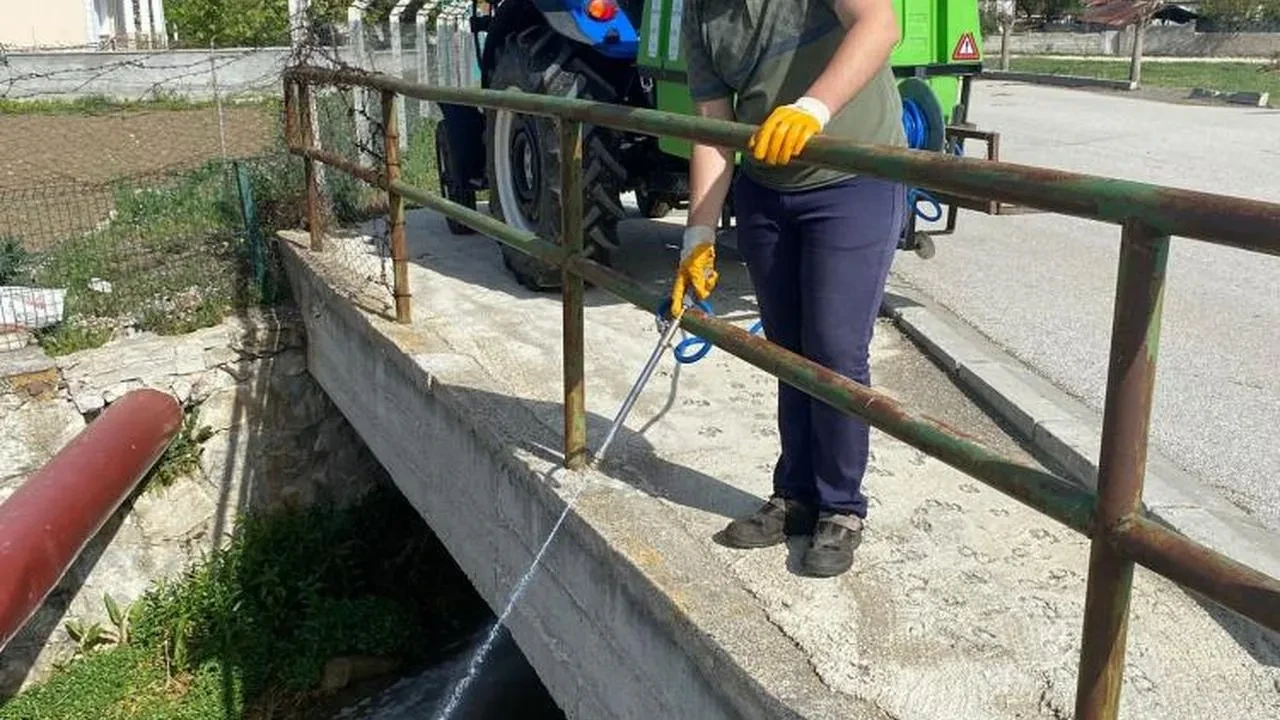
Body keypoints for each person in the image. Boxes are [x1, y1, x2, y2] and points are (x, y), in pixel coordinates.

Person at [672, 0, 909, 577]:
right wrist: (697, 234)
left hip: (853, 177)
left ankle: (842, 507)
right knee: (784, 348)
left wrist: (812, 108)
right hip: (765, 186)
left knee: (833, 347)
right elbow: (713, 125)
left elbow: (880, 25)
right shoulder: (700, 14)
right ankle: (797, 495)